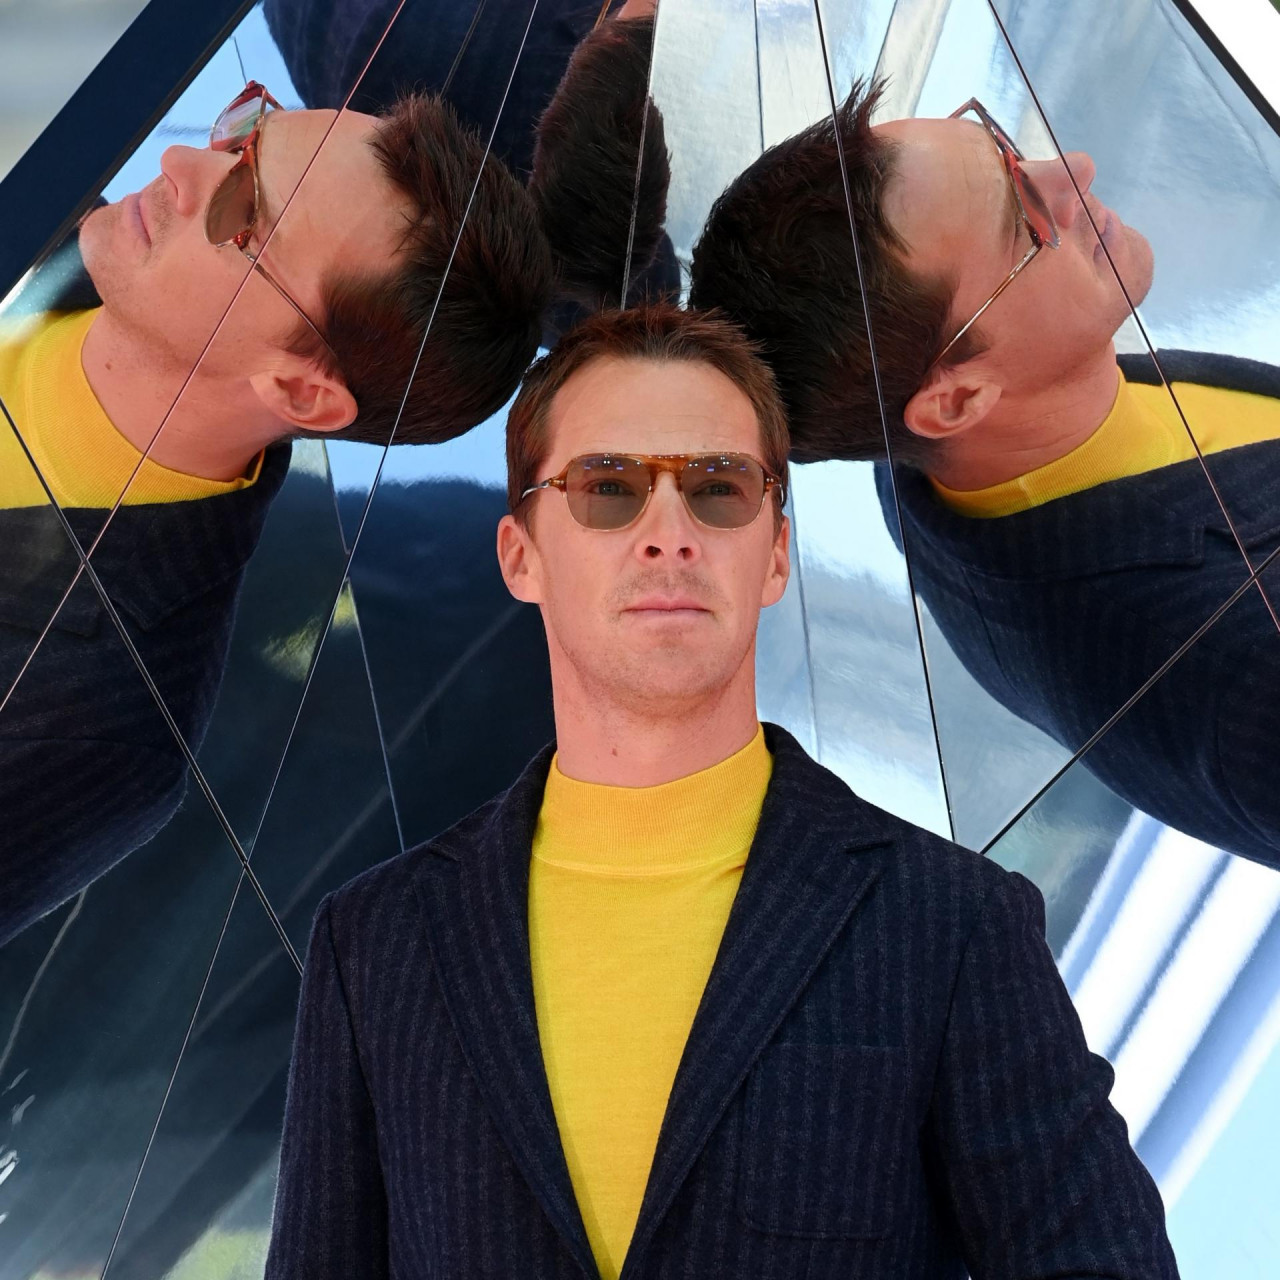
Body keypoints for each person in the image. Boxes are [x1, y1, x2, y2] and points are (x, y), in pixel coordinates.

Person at [266, 302, 1177, 1279]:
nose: (669, 534)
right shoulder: (377, 943)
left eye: (717, 488)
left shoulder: (951, 926)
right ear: (519, 555)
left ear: (775, 552)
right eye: (607, 487)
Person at [0, 83, 552, 943]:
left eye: (242, 212)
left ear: (299, 390)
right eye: (242, 132)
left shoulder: (102, 720)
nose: (180, 163)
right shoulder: (37, 166)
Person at [689, 77, 1280, 867]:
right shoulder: (1235, 685)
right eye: (1025, 225)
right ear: (959, 399)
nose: (1073, 171)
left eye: (1005, 151)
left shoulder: (930, 464)